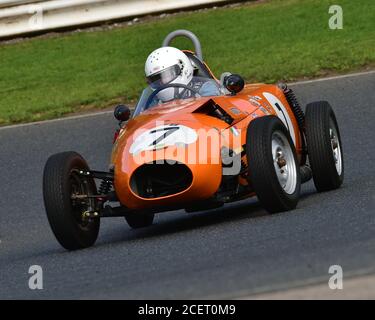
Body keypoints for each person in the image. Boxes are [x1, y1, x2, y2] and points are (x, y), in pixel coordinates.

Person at [144, 46, 221, 104]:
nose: (161, 82)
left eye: (166, 76)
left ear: (183, 69)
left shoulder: (206, 89)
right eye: (155, 80)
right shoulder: (154, 100)